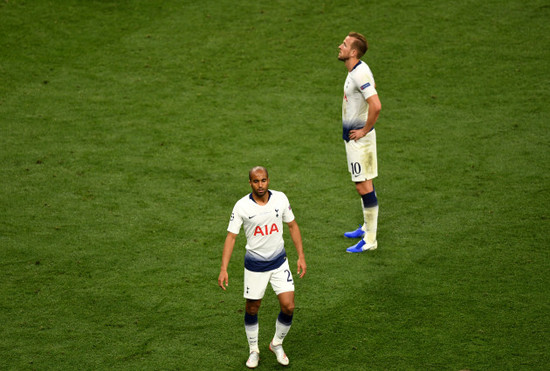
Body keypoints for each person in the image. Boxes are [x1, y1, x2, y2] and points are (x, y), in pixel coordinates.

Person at [218, 166, 307, 368]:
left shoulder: (281, 199)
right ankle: (254, 350)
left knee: (289, 306)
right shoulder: (241, 206)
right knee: (252, 308)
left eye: (264, 180)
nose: (260, 185)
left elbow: (292, 226)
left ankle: (276, 343)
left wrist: (301, 256)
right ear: (250, 182)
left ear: (269, 180)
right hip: (255, 266)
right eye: (256, 181)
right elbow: (231, 237)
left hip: (279, 262)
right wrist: (224, 268)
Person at [337, 31, 382, 253]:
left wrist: (365, 129)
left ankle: (370, 240)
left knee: (363, 187)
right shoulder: (357, 69)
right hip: (356, 139)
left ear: (353, 52)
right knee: (365, 185)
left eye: (344, 45)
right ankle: (367, 228)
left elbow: (376, 105)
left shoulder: (359, 74)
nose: (340, 46)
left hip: (360, 141)